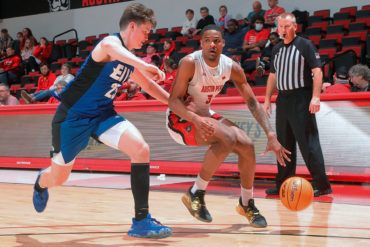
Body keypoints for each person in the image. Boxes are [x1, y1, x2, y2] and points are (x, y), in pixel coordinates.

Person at [31, 3, 172, 239]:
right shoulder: (108, 44)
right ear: (133, 26)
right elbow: (115, 50)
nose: (148, 37)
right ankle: (40, 183)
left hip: (103, 114)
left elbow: (148, 85)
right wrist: (146, 65)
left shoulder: (129, 58)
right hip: (72, 117)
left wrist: (179, 106)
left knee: (140, 149)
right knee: (58, 177)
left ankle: (141, 220)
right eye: (146, 31)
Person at [167, 24, 290, 228]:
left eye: (216, 40)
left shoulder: (231, 67)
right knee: (228, 138)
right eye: (207, 40)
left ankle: (246, 202)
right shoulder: (190, 63)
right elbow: (173, 101)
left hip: (205, 113)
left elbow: (252, 102)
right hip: (180, 119)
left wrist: (270, 134)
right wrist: (196, 119)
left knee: (247, 144)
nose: (212, 44)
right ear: (201, 43)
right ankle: (195, 192)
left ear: (223, 43)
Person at [264, 13, 332, 197]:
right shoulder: (276, 49)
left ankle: (322, 185)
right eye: (280, 27)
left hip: (301, 98)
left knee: (308, 142)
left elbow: (317, 72)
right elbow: (272, 75)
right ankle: (283, 184)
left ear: (295, 27)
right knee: (283, 144)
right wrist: (267, 98)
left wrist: (315, 97)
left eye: (286, 27)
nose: (283, 30)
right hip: (283, 99)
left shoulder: (305, 45)